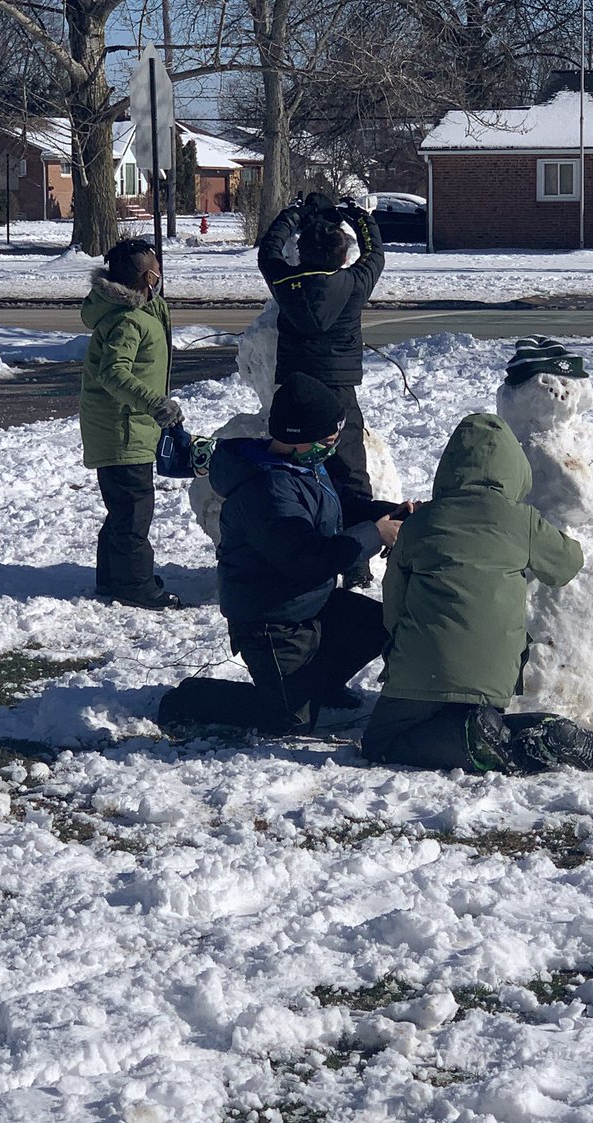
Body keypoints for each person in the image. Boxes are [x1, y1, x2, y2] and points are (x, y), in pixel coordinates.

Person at [158, 372, 411, 735]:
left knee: (375, 624)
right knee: (290, 722)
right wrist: (374, 535)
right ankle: (192, 699)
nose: (334, 445)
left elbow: (342, 507)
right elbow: (308, 559)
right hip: (271, 619)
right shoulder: (268, 491)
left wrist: (391, 514)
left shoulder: (304, 465)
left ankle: (316, 686)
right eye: (327, 439)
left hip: (307, 603)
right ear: (297, 438)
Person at [361, 412, 593, 775]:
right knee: (478, 721)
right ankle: (532, 731)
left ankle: (472, 737)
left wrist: (401, 650)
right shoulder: (522, 521)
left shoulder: (421, 523)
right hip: (492, 676)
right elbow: (567, 566)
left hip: (420, 670)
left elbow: (394, 601)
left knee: (380, 743)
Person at [257, 191, 385, 588]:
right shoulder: (353, 283)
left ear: (302, 255)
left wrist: (296, 213)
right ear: (342, 257)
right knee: (350, 476)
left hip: (295, 389)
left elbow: (268, 249)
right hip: (338, 390)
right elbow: (375, 253)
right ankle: (355, 560)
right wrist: (356, 214)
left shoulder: (285, 282)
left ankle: (295, 545)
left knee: (294, 469)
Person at [80, 237, 184, 610]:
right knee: (134, 512)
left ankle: (113, 578)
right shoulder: (127, 320)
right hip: (122, 431)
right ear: (147, 276)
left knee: (123, 509)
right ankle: (136, 586)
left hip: (127, 428)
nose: (160, 275)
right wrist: (155, 403)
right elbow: (113, 373)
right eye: (156, 268)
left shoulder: (139, 312)